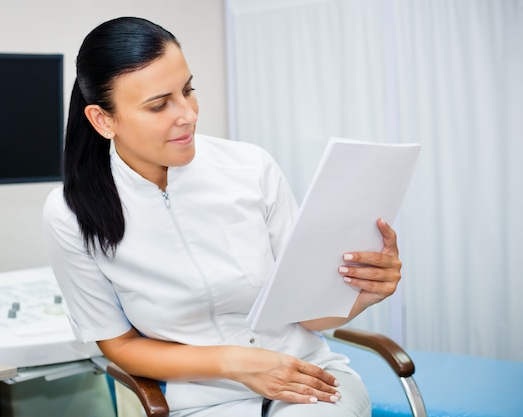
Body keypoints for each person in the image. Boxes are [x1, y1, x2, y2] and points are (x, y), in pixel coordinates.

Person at [43, 16, 402, 417]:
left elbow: (308, 314)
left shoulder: (251, 167)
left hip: (308, 381)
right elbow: (120, 345)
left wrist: (364, 291)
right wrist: (239, 363)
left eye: (188, 90)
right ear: (103, 120)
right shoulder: (70, 214)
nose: (188, 114)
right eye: (159, 105)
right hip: (204, 403)